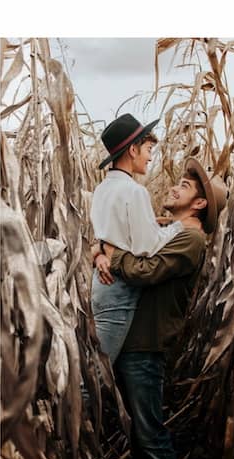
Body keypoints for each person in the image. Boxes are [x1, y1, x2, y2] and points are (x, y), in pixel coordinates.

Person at [94, 157, 227, 459]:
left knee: (150, 435)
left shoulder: (191, 240)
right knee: (140, 435)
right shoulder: (163, 230)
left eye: (184, 186)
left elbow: (146, 271)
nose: (172, 187)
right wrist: (100, 251)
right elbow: (111, 240)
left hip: (145, 345)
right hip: (131, 341)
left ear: (199, 204)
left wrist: (111, 255)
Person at [90, 113, 188, 365]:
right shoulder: (135, 191)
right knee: (99, 372)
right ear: (133, 150)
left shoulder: (101, 190)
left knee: (100, 363)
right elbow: (148, 247)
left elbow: (110, 234)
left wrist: (100, 251)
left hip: (101, 283)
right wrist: (178, 228)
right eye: (148, 149)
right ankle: (73, 406)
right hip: (119, 286)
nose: (150, 156)